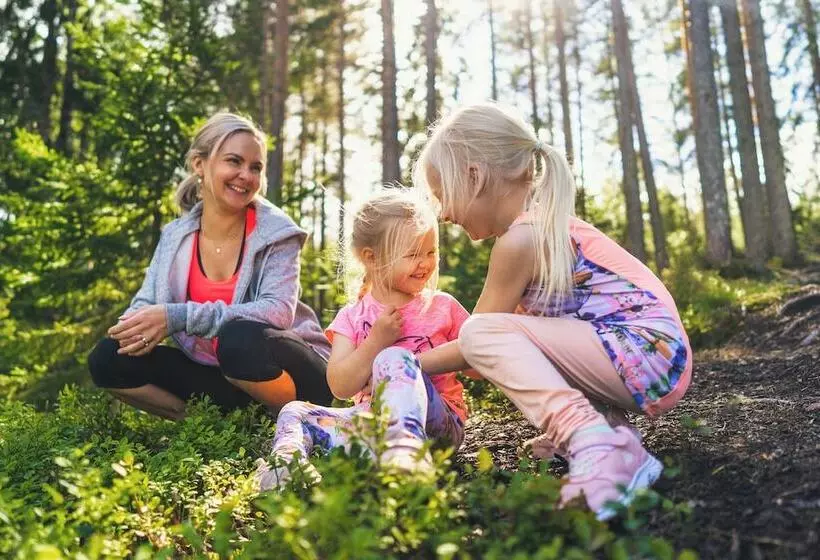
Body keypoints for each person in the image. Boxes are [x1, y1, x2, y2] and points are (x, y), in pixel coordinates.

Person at [412, 102, 692, 521]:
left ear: (474, 177)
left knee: (481, 333)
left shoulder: (521, 241)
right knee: (510, 333)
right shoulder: (541, 227)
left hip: (645, 351)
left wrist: (407, 363)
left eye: (442, 195)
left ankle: (594, 442)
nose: (444, 213)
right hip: (652, 356)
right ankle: (615, 435)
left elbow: (476, 347)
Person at [88, 112, 333, 420]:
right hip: (223, 375)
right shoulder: (175, 237)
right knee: (108, 356)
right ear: (199, 164)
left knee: (238, 338)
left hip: (294, 376)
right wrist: (130, 329)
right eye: (234, 161)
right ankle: (209, 425)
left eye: (255, 167)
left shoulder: (277, 233)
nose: (246, 174)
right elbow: (147, 304)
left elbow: (277, 312)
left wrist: (178, 316)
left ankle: (293, 423)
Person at [255, 188, 470, 490]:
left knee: (393, 359)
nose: (425, 263)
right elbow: (340, 386)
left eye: (431, 252)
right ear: (372, 258)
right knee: (294, 410)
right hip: (371, 426)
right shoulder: (352, 318)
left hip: (436, 427)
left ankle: (406, 457)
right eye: (412, 254)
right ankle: (286, 466)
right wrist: (374, 342)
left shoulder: (441, 306)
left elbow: (479, 353)